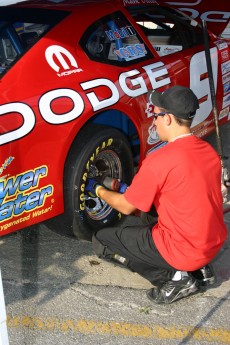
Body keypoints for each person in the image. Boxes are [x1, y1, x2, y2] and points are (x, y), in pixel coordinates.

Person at [85, 85, 228, 304]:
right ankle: (200, 269)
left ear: (168, 118)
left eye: (156, 115)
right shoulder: (208, 151)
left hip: (185, 250)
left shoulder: (161, 160)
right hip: (212, 242)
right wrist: (125, 188)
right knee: (147, 214)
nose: (154, 122)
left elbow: (125, 206)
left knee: (102, 242)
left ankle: (175, 278)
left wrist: (97, 189)